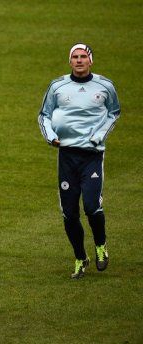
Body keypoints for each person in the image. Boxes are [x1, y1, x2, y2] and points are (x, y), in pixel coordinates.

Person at [38, 43, 121, 279]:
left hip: (92, 156)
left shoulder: (105, 86)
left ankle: (101, 246)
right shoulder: (57, 86)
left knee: (92, 206)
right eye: (75, 57)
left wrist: (99, 136)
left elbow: (114, 113)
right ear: (70, 61)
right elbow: (43, 115)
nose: (79, 60)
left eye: (83, 56)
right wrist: (51, 138)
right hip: (67, 155)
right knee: (69, 213)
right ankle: (80, 258)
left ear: (91, 60)